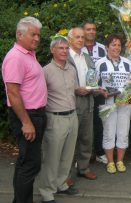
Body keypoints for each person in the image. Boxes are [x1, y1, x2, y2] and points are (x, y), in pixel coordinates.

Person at [2, 16, 47, 203]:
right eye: (33, 34)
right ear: (19, 35)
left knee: (28, 163)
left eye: (38, 35)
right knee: (28, 164)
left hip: (36, 115)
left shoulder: (28, 53)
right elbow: (12, 93)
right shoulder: (15, 57)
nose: (37, 38)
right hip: (28, 116)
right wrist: (26, 122)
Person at [38, 37, 79, 203]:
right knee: (51, 157)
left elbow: (75, 90)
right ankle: (47, 191)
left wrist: (85, 90)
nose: (64, 51)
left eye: (66, 48)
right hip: (55, 118)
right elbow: (39, 96)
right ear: (52, 50)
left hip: (72, 116)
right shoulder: (45, 71)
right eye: (60, 48)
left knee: (67, 155)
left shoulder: (72, 70)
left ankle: (61, 184)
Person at [95, 34, 131, 173]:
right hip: (107, 103)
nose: (116, 47)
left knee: (123, 132)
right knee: (109, 132)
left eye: (118, 45)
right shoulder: (100, 63)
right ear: (107, 47)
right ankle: (110, 162)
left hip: (125, 103)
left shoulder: (127, 62)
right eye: (113, 44)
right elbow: (94, 84)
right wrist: (101, 91)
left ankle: (120, 161)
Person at [67, 27, 97, 180]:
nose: (80, 40)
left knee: (86, 137)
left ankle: (83, 168)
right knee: (70, 139)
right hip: (71, 101)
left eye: (82, 37)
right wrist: (75, 89)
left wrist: (95, 87)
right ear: (70, 39)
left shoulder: (86, 57)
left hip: (88, 100)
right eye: (77, 37)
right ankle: (65, 174)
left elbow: (93, 76)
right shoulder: (64, 56)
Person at [81, 21, 108, 165]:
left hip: (99, 92)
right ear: (83, 31)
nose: (91, 32)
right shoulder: (77, 48)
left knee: (99, 123)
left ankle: (99, 152)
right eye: (88, 29)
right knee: (83, 124)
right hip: (83, 91)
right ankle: (83, 156)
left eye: (93, 29)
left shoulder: (103, 48)